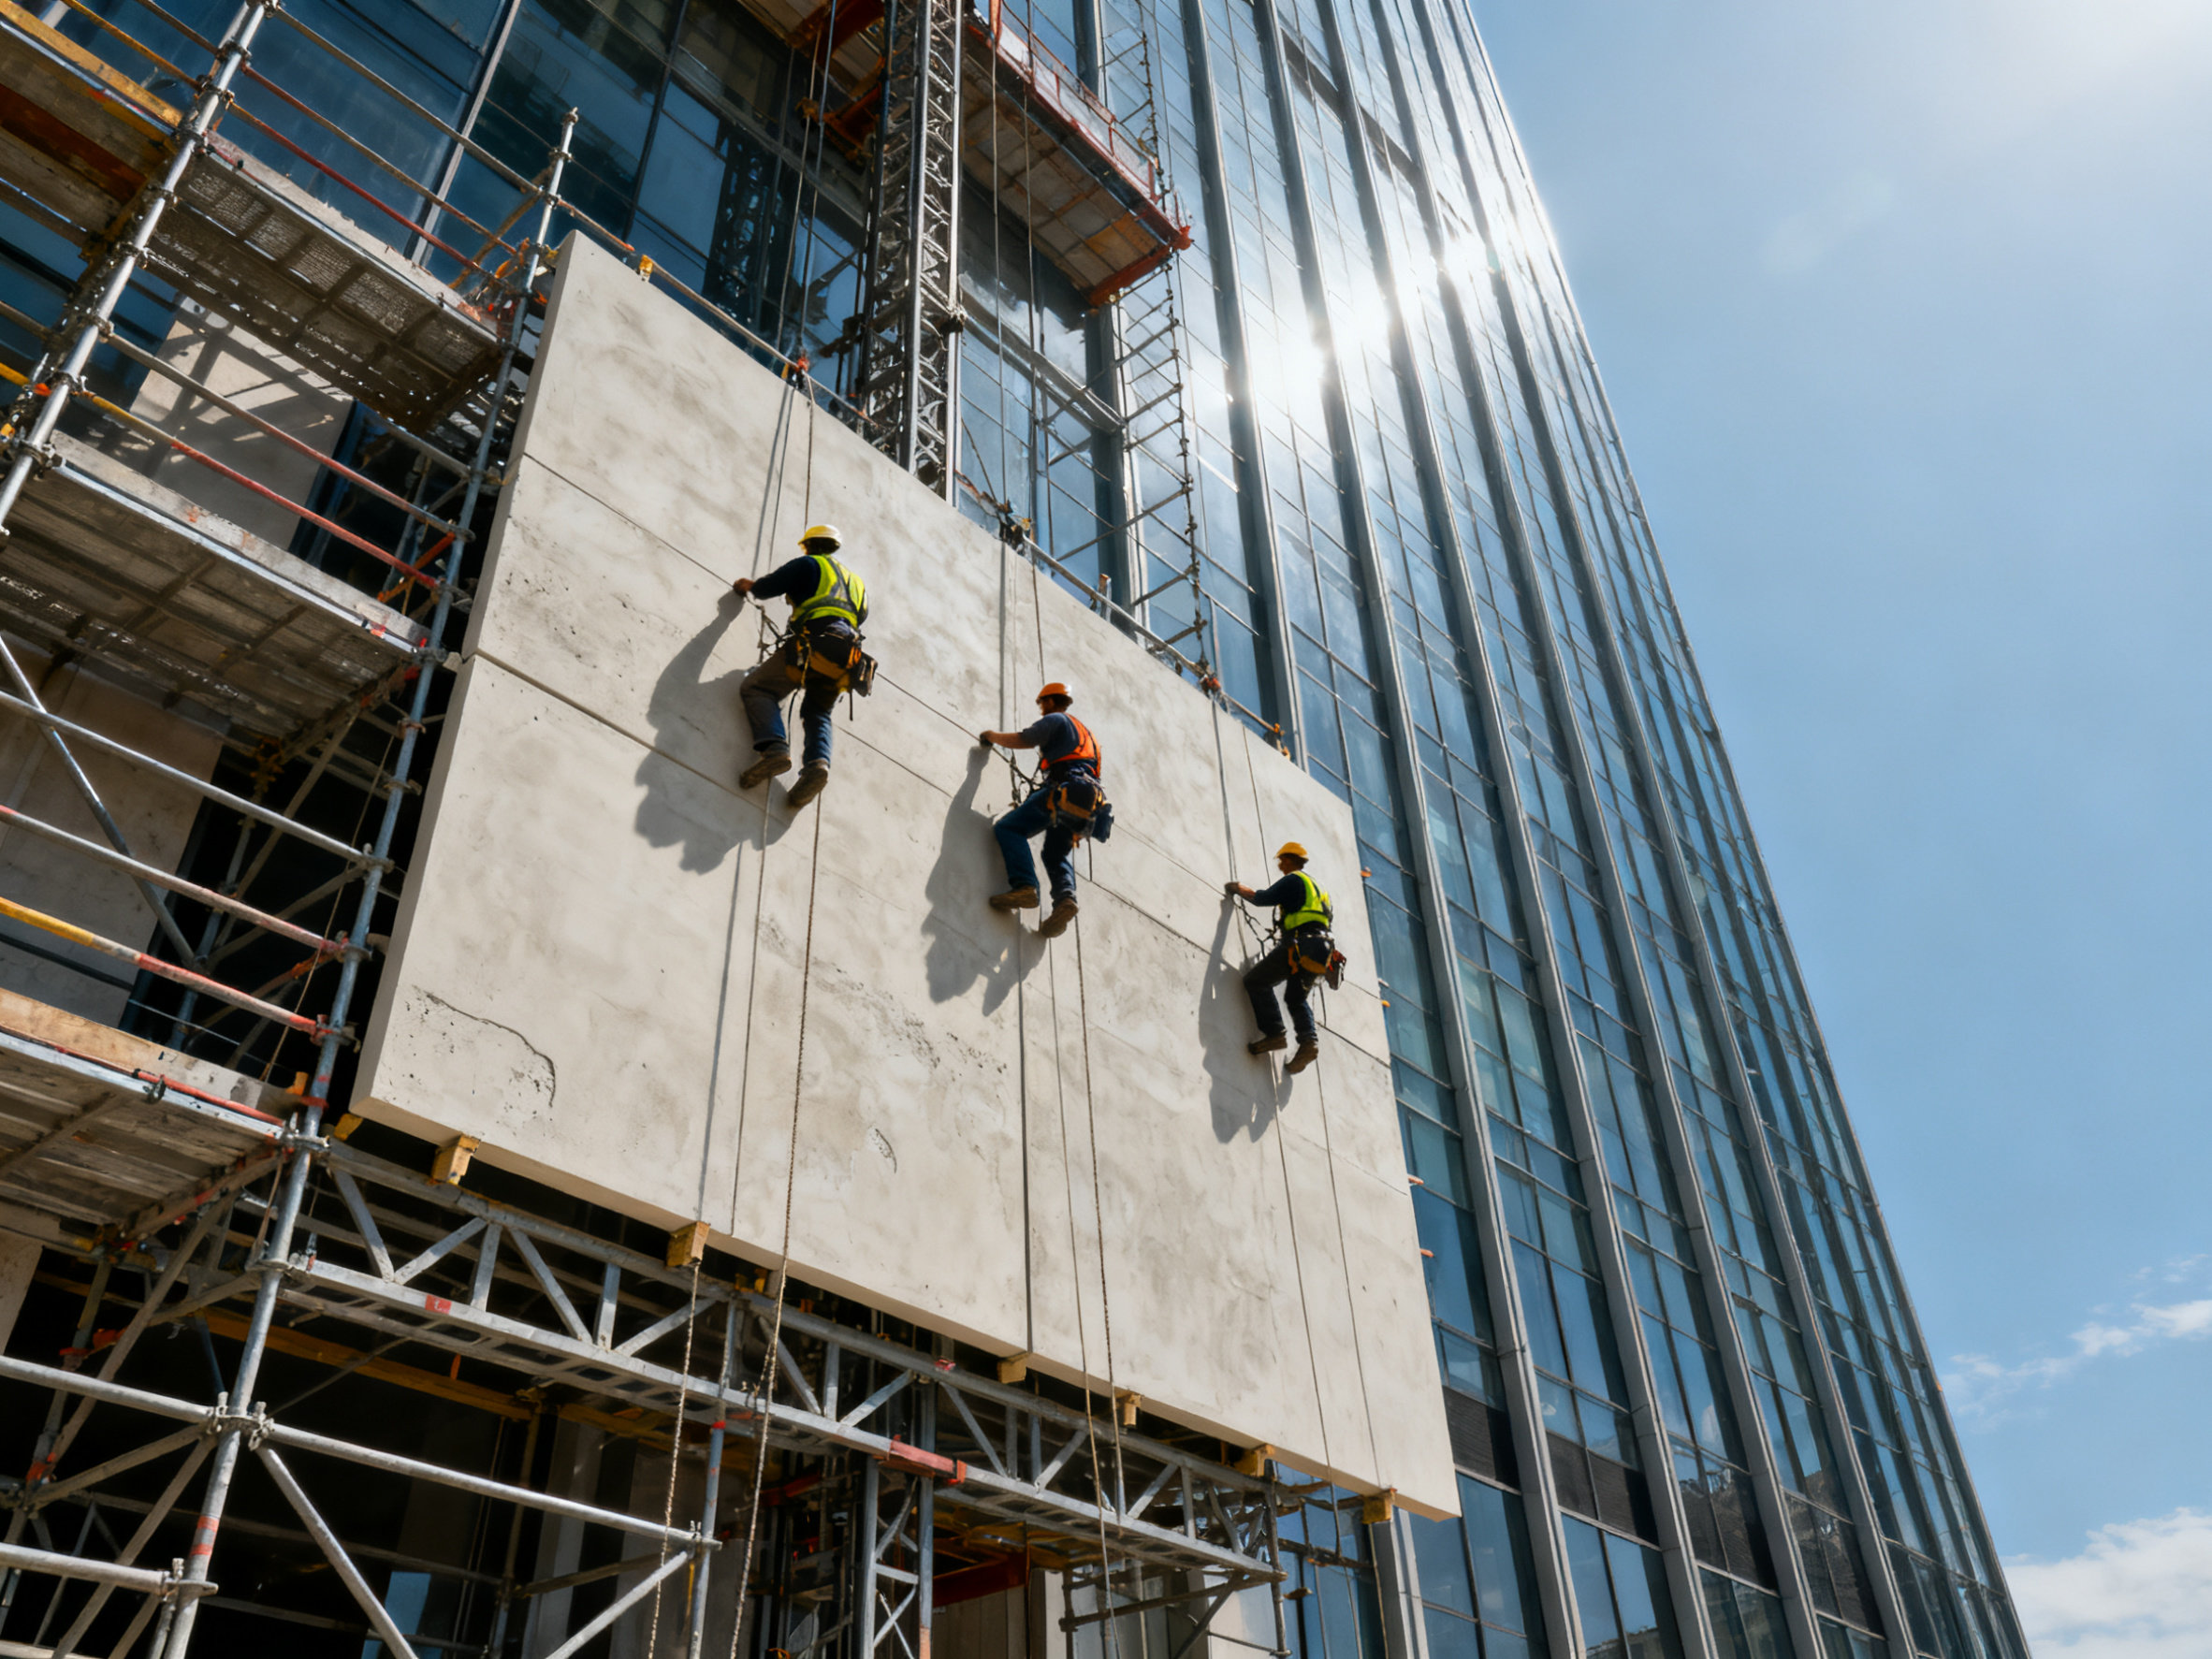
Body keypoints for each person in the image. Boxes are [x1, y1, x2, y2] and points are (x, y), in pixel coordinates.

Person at [732, 523, 867, 810]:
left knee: (758, 687)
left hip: (815, 644)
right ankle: (818, 764)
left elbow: (770, 587)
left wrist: (750, 587)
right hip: (847, 658)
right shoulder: (856, 583)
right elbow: (861, 615)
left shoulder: (808, 564)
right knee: (818, 711)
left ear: (810, 545)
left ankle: (775, 749)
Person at [978, 683, 1102, 939]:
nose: (1041, 708)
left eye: (1042, 703)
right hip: (1089, 799)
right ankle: (1066, 899)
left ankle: (1025, 886)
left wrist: (992, 736)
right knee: (1054, 853)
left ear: (1050, 701)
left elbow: (1025, 739)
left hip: (1067, 788)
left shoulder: (1056, 719)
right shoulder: (1085, 735)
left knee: (1009, 827)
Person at [1229, 842, 1332, 1074]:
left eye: (1283, 860)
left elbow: (1262, 898)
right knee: (1295, 997)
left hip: (1299, 945)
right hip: (1320, 951)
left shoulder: (1295, 879)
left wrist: (1238, 888)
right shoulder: (1319, 888)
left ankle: (1275, 1033)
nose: (1280, 865)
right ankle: (1308, 1042)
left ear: (1291, 860)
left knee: (1255, 981)